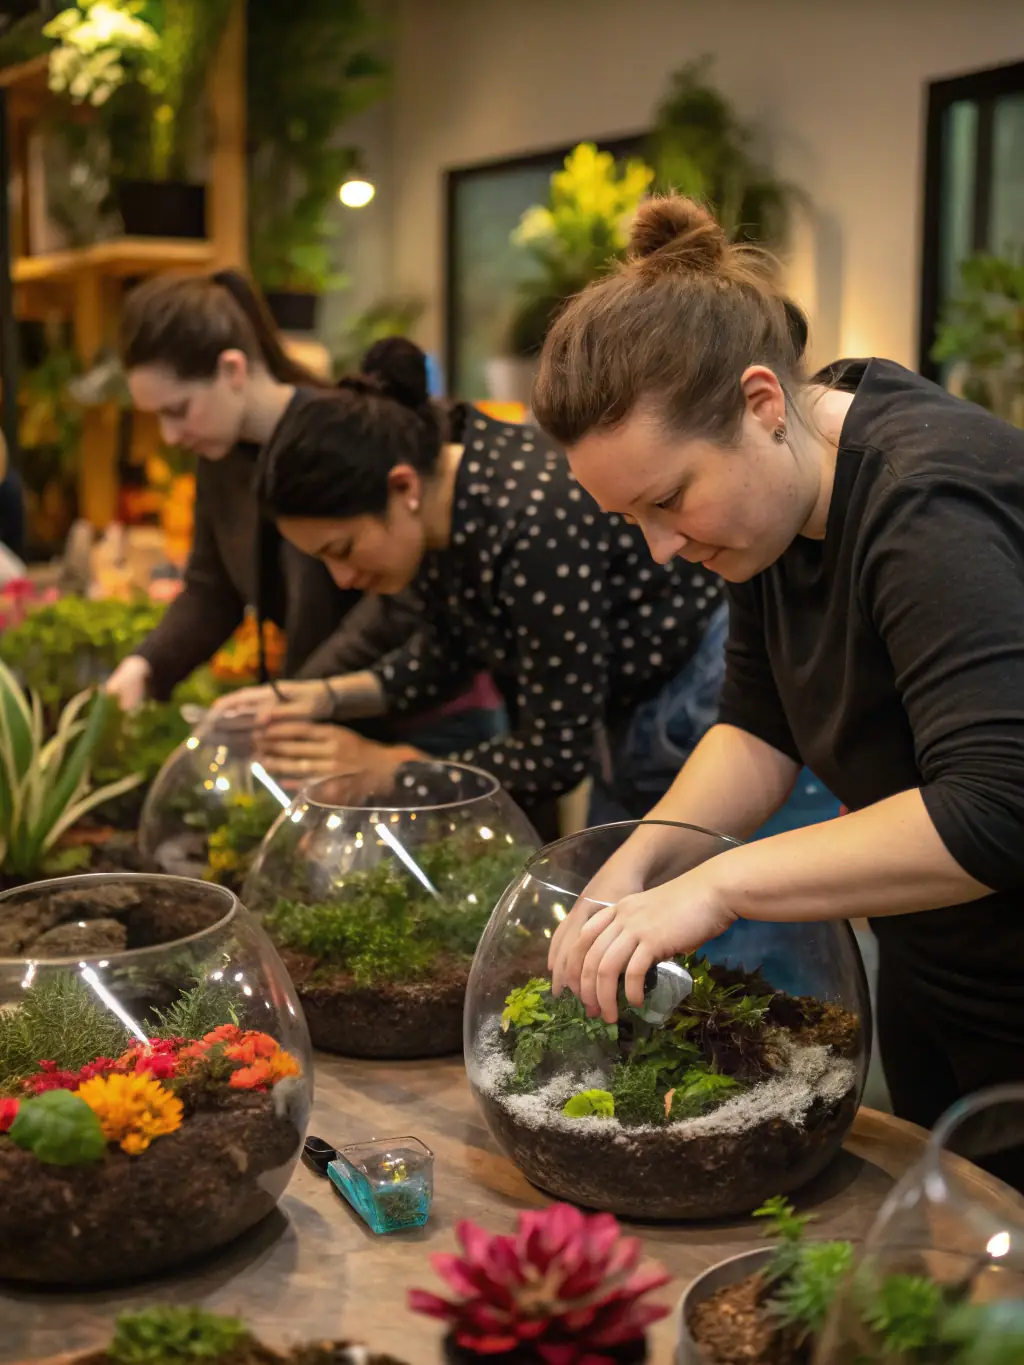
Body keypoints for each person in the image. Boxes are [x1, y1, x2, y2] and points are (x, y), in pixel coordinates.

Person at [537, 194, 1024, 1183]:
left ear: (762, 403)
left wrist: (719, 884)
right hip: (944, 972)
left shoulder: (923, 507)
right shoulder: (778, 496)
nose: (663, 548)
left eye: (669, 500)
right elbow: (759, 730)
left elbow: (995, 812)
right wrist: (642, 861)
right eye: (633, 519)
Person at [213, 338, 726, 841]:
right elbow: (446, 652)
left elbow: (556, 753)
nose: (343, 580)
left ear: (402, 488)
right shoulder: (446, 494)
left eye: (342, 549)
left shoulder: (532, 521)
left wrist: (391, 770)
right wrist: (321, 698)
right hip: (629, 713)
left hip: (691, 701)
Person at [104, 272, 497, 755]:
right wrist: (145, 666)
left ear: (233, 370)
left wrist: (300, 696)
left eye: (178, 410)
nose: (169, 436)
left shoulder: (338, 435)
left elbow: (397, 599)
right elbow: (213, 589)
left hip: (418, 719)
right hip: (327, 715)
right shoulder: (219, 459)